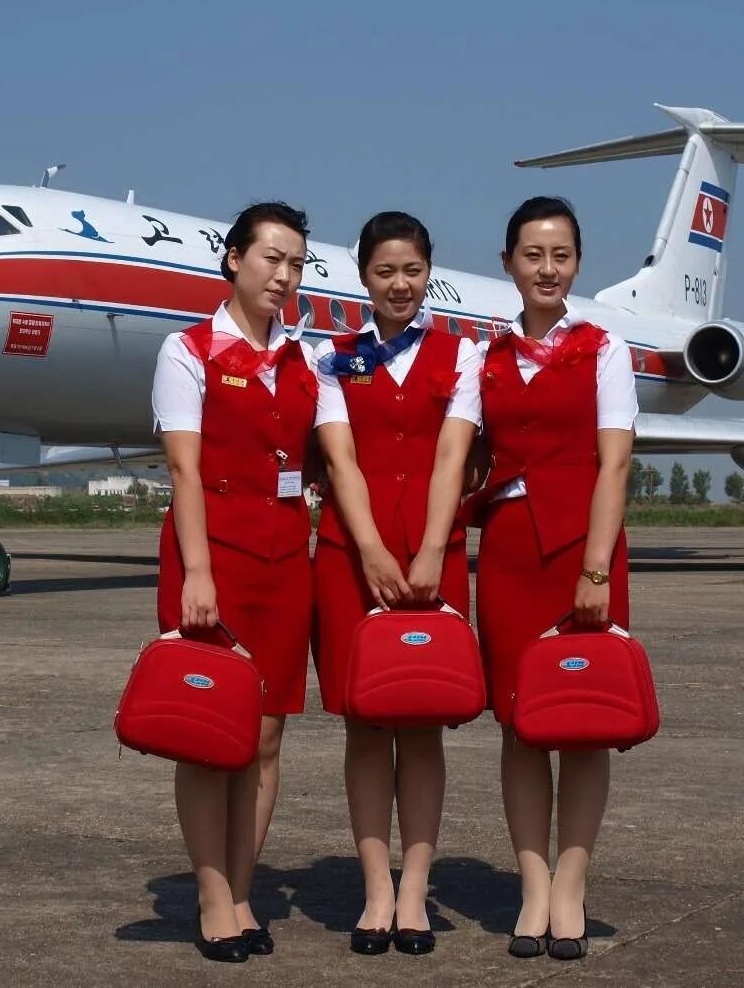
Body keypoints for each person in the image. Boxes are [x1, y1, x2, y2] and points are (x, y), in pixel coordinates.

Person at [470, 196, 638, 961]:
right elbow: (451, 455)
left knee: (585, 722)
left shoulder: (606, 347)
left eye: (561, 255)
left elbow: (616, 461)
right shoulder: (482, 356)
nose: (547, 269)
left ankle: (571, 887)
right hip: (507, 552)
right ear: (508, 263)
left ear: (577, 263)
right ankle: (532, 886)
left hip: (583, 549)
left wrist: (596, 567)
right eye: (532, 255)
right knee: (521, 722)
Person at [150, 201, 316, 963]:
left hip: (286, 560)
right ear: (233, 260)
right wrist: (197, 574)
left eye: (295, 263)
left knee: (267, 737)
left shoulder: (304, 359)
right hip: (209, 558)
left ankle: (244, 892)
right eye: (270, 258)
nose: (282, 275)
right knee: (210, 736)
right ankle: (212, 899)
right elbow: (184, 467)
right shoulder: (187, 352)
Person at [311, 212, 480, 956]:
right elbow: (340, 461)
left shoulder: (463, 356)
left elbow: (453, 458)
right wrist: (374, 550)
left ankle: (416, 888)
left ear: (428, 272)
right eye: (385, 272)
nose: (400, 285)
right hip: (352, 556)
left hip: (433, 557)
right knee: (364, 722)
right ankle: (375, 888)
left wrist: (434, 552)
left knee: (421, 721)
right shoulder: (333, 357)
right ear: (363, 278)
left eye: (412, 270)